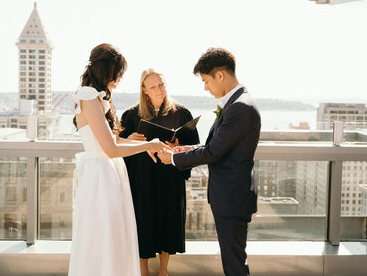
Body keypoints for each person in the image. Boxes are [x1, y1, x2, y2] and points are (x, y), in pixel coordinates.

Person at [68, 44, 170, 276]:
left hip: (108, 172)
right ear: (107, 70)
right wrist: (148, 145)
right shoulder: (88, 96)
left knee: (111, 236)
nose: (121, 77)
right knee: (102, 237)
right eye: (119, 72)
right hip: (101, 177)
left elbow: (114, 141)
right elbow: (111, 148)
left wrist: (148, 146)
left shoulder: (95, 97)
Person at [158, 48, 261, 276]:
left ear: (220, 76)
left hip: (232, 197)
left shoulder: (240, 108)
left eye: (206, 81)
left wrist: (173, 158)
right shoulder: (238, 103)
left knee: (234, 263)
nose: (205, 88)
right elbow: (219, 146)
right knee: (233, 259)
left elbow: (214, 152)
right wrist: (188, 148)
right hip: (232, 195)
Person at [119, 68, 200, 276]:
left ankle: (164, 270)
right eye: (153, 86)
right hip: (142, 179)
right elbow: (119, 150)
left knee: (169, 220)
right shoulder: (130, 116)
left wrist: (179, 144)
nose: (159, 90)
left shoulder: (182, 113)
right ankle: (143, 270)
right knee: (142, 221)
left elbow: (195, 147)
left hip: (170, 177)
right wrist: (131, 141)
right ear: (144, 90)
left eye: (161, 84)